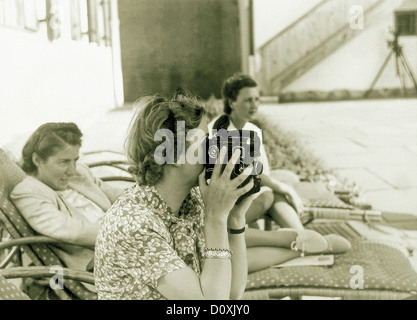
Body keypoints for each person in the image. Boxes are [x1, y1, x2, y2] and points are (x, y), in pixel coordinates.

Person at [93, 94, 335, 300]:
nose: (214, 148)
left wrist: (235, 219)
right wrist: (216, 217)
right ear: (173, 155)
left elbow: (231, 293)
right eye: (205, 141)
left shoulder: (190, 201)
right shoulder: (133, 225)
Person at [208, 73, 351, 260]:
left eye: (257, 99)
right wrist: (281, 187)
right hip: (226, 206)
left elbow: (260, 172)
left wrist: (279, 184)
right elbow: (244, 175)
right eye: (248, 100)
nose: (254, 105)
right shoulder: (220, 130)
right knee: (270, 194)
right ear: (232, 102)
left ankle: (304, 239)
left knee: (280, 185)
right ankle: (304, 239)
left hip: (248, 194)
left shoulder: (252, 129)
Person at [10, 122, 125, 275]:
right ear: (37, 160)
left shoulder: (78, 172)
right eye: (63, 162)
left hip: (125, 239)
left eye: (75, 160)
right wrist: (127, 232)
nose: (72, 170)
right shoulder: (28, 192)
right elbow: (73, 231)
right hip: (101, 260)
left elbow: (113, 193)